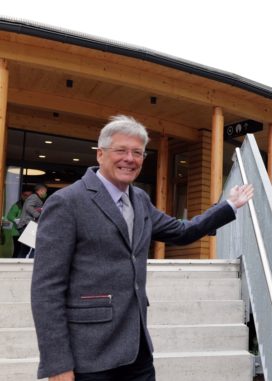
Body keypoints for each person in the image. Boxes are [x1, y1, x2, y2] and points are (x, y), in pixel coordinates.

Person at [30, 115, 254, 381]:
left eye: (137, 152)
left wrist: (227, 207)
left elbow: (181, 232)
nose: (130, 158)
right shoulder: (67, 203)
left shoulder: (139, 199)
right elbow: (46, 289)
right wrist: (57, 363)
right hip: (89, 357)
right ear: (100, 155)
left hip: (137, 352)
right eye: (121, 150)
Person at [17, 183, 48, 258]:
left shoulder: (34, 197)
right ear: (40, 190)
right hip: (27, 225)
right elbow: (28, 207)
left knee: (25, 249)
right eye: (45, 191)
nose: (45, 193)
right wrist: (38, 215)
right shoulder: (34, 197)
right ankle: (30, 265)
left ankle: (20, 265)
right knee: (33, 248)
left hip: (27, 225)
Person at [6, 190, 32, 258]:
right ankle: (13, 266)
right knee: (18, 250)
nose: (27, 197)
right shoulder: (18, 205)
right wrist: (17, 220)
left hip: (28, 232)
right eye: (26, 195)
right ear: (22, 196)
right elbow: (9, 216)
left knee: (26, 250)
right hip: (18, 232)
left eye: (29, 195)